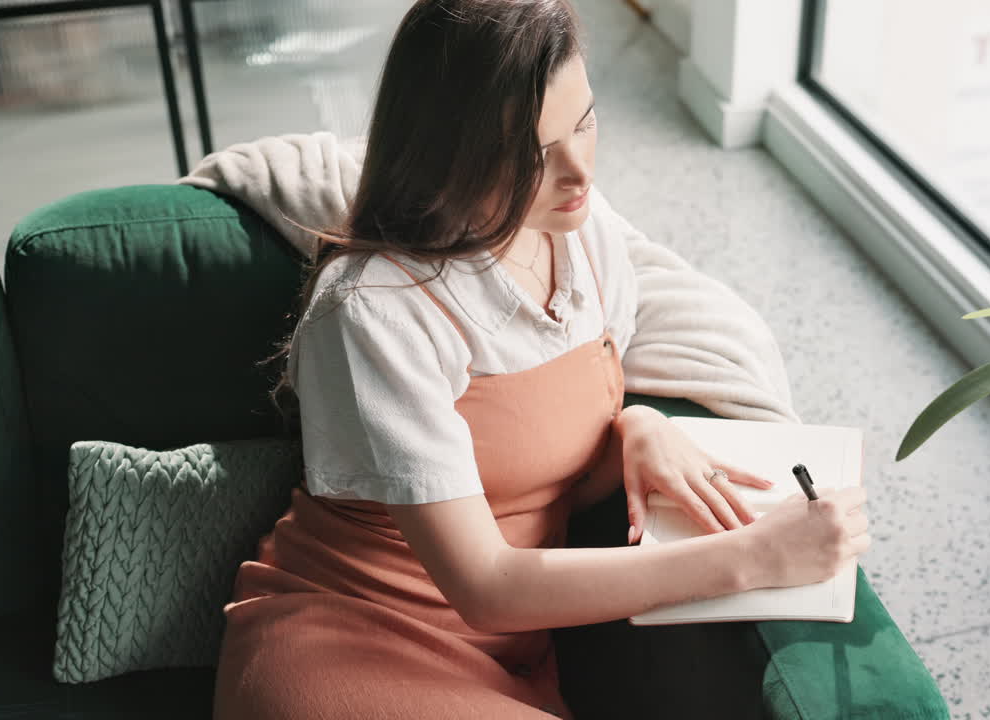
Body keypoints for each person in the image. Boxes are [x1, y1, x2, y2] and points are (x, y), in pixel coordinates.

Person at [211, 1, 872, 718]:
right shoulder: (373, 310)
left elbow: (532, 476)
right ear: (446, 150)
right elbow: (485, 584)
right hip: (346, 644)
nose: (578, 171)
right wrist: (755, 558)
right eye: (531, 153)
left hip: (509, 659)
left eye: (583, 121)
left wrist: (635, 424)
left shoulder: (583, 239)